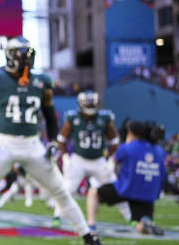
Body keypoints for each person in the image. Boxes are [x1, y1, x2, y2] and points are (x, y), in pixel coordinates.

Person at [0, 37, 111, 245]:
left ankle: (88, 238)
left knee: (61, 191)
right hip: (4, 145)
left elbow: (50, 118)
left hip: (33, 145)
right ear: (10, 56)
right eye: (22, 54)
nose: (27, 59)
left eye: (28, 54)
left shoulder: (41, 82)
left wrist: (53, 141)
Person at [52, 90, 130, 230]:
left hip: (98, 160)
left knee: (114, 187)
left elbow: (114, 141)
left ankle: (130, 217)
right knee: (67, 188)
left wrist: (111, 160)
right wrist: (65, 158)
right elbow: (62, 139)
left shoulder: (105, 118)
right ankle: (57, 216)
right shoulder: (73, 118)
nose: (89, 106)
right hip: (78, 160)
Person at [87, 121, 166, 235]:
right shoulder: (159, 150)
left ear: (131, 133)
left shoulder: (127, 148)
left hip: (126, 189)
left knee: (93, 193)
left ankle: (91, 225)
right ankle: (145, 224)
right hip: (148, 194)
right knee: (140, 225)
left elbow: (112, 162)